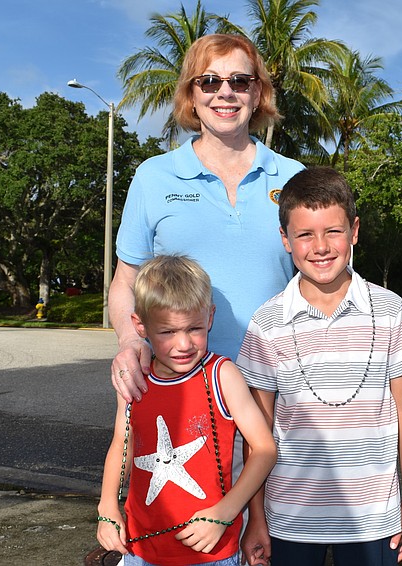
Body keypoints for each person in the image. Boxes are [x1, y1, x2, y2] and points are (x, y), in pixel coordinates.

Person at [235, 167, 402, 566]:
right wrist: (255, 516)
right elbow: (257, 428)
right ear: (286, 240)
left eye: (334, 231)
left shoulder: (391, 311)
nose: (320, 246)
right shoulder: (266, 321)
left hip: (373, 519)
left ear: (354, 231)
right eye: (305, 234)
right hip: (288, 519)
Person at [110, 34, 304, 403]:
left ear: (257, 92)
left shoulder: (294, 176)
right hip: (181, 390)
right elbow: (125, 282)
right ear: (191, 95)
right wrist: (130, 340)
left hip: (281, 391)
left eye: (240, 81)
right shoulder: (153, 176)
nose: (225, 92)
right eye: (210, 81)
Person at [97, 255, 277, 566]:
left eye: (194, 328)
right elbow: (121, 446)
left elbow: (264, 449)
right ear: (140, 324)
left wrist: (225, 512)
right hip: (141, 552)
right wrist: (107, 507)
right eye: (168, 332)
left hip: (213, 554)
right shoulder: (134, 381)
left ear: (210, 318)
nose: (183, 344)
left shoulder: (223, 375)